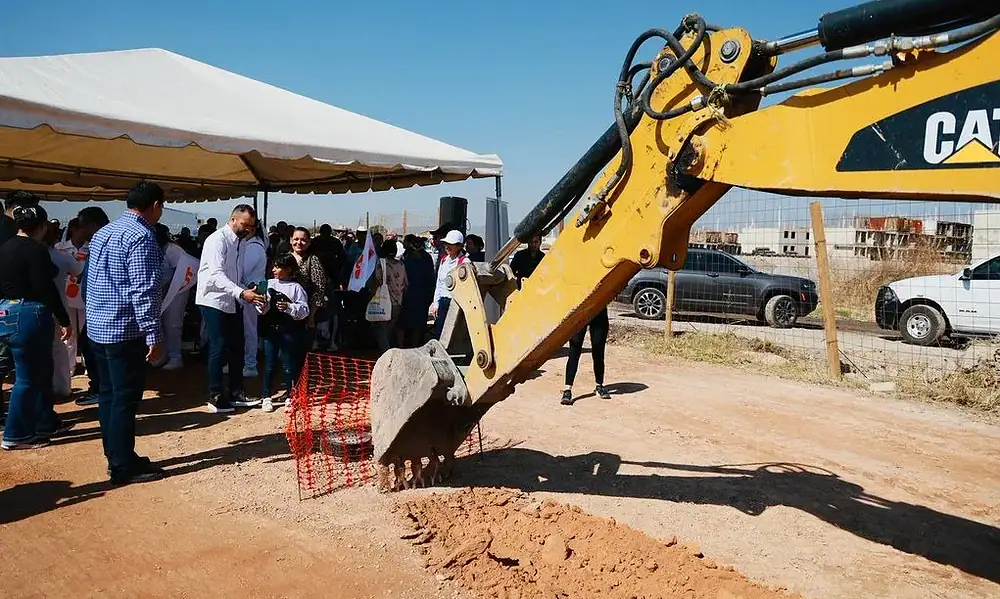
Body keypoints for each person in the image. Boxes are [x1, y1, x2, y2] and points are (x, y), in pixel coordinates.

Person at [84, 181, 168, 483]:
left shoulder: (104, 232)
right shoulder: (142, 236)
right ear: (155, 206)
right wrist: (153, 334)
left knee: (108, 395)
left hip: (98, 327)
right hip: (124, 329)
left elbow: (89, 281)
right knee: (125, 398)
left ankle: (118, 454)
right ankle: (121, 466)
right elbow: (144, 290)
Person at [0, 204, 73, 450]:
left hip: (6, 311)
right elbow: (46, 288)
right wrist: (64, 319)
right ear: (42, 227)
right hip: (30, 313)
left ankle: (44, 421)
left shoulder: (6, 247)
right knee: (28, 378)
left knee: (39, 373)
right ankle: (16, 434)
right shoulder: (36, 250)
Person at [195, 204, 266, 413]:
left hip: (233, 297)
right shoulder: (217, 240)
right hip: (213, 299)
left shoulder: (241, 243)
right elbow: (216, 275)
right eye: (245, 224)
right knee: (219, 345)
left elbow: (236, 274)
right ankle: (215, 395)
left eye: (252, 226)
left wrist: (248, 288)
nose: (248, 229)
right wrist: (242, 293)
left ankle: (236, 392)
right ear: (233, 219)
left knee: (238, 345)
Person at [255, 253, 309, 413]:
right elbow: (260, 310)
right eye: (273, 266)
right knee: (269, 364)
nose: (273, 270)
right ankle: (266, 396)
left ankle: (290, 396)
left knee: (288, 365)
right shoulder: (267, 284)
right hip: (271, 330)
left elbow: (304, 310)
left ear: (289, 269)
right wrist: (263, 304)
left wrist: (289, 307)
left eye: (278, 267)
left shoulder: (296, 288)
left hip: (289, 330)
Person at [154, 224, 190, 371]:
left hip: (177, 291)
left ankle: (176, 357)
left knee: (173, 324)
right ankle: (164, 355)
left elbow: (181, 271)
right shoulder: (159, 248)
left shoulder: (173, 250)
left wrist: (168, 288)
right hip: (163, 291)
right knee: (161, 323)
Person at [561, 306, 612, 406]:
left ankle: (599, 385)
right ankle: (567, 390)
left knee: (599, 350)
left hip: (599, 310)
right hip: (580, 310)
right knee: (574, 351)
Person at [289, 227, 328, 349]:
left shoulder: (313, 260)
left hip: (304, 314)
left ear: (309, 243)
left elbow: (319, 288)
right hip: (284, 312)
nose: (299, 243)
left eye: (303, 240)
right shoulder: (283, 258)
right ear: (290, 240)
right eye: (296, 239)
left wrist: (311, 315)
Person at [239, 220, 268, 378]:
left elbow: (242, 271)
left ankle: (250, 364)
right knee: (246, 329)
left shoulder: (254, 247)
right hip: (247, 292)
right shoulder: (250, 244)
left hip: (252, 292)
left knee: (249, 330)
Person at [371, 239, 408, 352]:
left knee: (379, 330)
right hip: (397, 302)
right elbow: (406, 284)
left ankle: (387, 357)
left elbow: (377, 282)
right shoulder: (401, 264)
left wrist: (371, 296)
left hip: (383, 302)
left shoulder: (381, 263)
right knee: (388, 331)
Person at [431, 230, 468, 340]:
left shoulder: (465, 262)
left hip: (456, 302)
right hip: (443, 301)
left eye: (451, 244)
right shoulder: (444, 260)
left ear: (459, 246)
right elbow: (439, 283)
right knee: (440, 331)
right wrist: (436, 303)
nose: (447, 247)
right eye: (446, 244)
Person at [400, 235, 435, 347]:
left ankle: (403, 346)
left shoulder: (406, 258)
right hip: (420, 295)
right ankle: (415, 346)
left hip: (409, 295)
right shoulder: (426, 257)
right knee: (417, 324)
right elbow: (431, 278)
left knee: (404, 323)